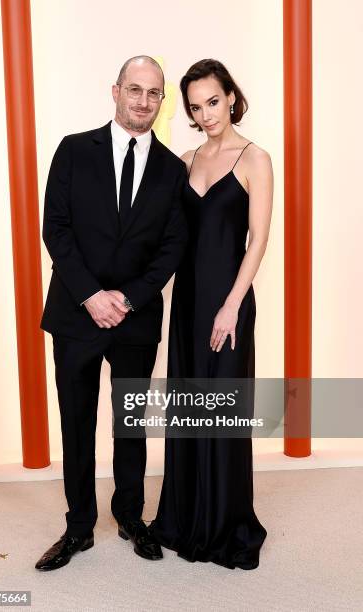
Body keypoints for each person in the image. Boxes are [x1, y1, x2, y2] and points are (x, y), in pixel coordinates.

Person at [35, 56, 188, 571]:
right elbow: (55, 228)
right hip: (76, 314)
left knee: (130, 424)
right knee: (75, 423)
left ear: (161, 102)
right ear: (116, 91)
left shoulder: (172, 168)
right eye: (135, 90)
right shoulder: (75, 150)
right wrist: (91, 296)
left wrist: (128, 298)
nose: (144, 102)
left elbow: (172, 248)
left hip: (135, 319)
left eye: (154, 94)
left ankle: (130, 517)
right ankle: (79, 527)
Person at [152, 59, 273, 569]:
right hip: (186, 308)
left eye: (214, 101)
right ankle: (185, 518)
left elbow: (258, 240)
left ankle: (225, 524)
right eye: (196, 107)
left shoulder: (255, 158)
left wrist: (231, 306)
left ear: (231, 97)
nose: (207, 115)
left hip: (229, 305)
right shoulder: (183, 160)